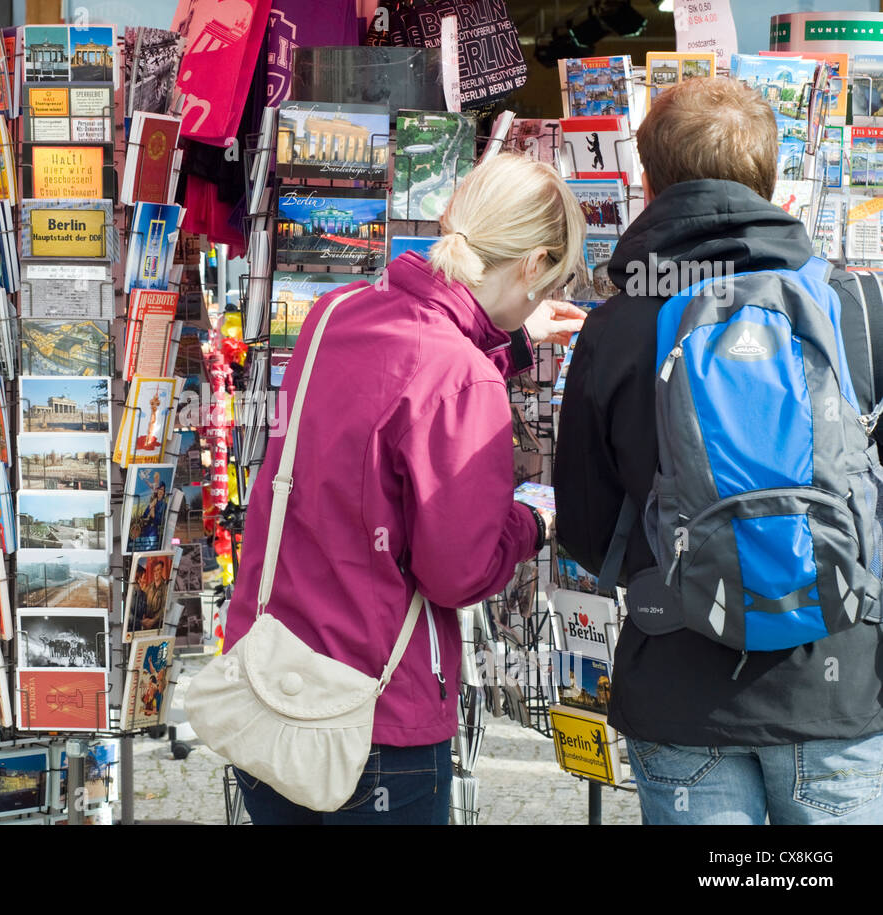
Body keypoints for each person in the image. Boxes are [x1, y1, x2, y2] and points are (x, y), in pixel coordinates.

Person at [553, 77, 883, 825]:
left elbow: (582, 526)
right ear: (771, 177)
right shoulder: (856, 310)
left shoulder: (616, 327)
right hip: (836, 685)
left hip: (678, 685)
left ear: (649, 183)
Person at [223, 153, 587, 825]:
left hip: (270, 683)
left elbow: (399, 388)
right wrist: (533, 521)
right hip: (378, 716)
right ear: (533, 264)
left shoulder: (336, 313)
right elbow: (456, 572)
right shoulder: (462, 376)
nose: (540, 299)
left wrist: (509, 341)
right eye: (550, 282)